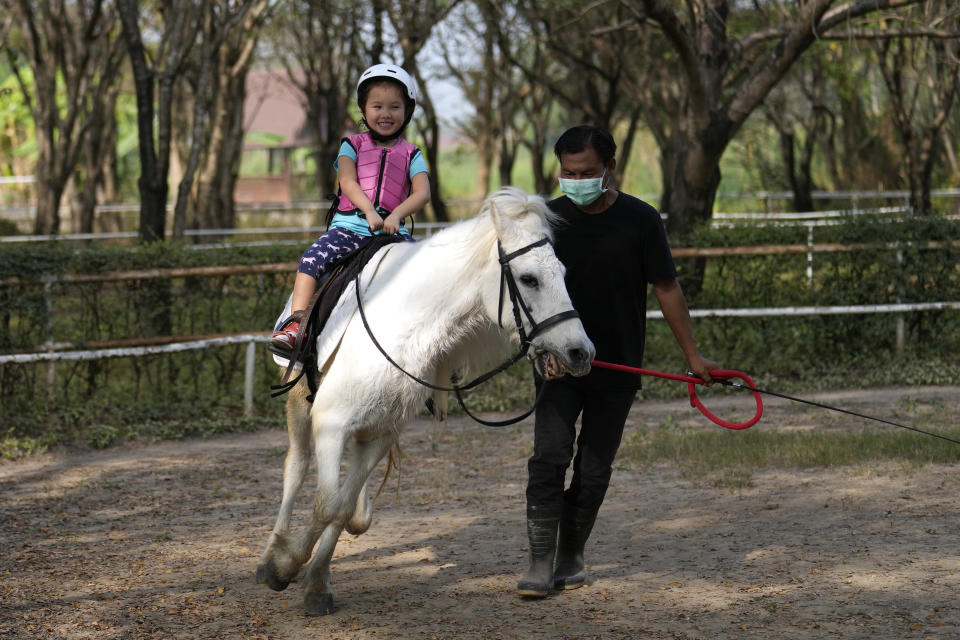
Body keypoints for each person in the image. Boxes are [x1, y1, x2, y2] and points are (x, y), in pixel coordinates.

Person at [517, 125, 718, 598]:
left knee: (594, 468)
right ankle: (539, 562)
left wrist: (693, 357)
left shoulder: (641, 220)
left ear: (611, 168)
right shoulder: (548, 220)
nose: (576, 179)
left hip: (618, 367)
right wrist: (538, 351)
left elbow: (666, 288)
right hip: (558, 367)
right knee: (548, 458)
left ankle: (571, 554)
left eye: (587, 171)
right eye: (567, 172)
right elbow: (525, 295)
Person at [271, 63, 431, 353]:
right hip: (350, 228)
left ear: (407, 111)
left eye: (395, 106)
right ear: (363, 109)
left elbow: (422, 193)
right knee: (310, 261)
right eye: (377, 106)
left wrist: (395, 215)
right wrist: (370, 212)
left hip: (392, 233)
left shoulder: (412, 154)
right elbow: (347, 180)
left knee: (428, 273)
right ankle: (295, 327)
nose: (386, 114)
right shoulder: (351, 146)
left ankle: (434, 339)